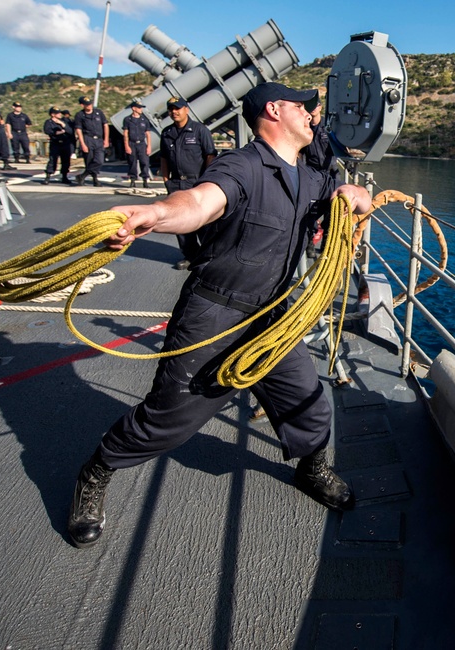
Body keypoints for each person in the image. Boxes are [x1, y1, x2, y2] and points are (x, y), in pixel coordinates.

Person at [66, 82, 372, 548]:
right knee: (168, 419)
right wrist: (158, 214)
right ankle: (98, 469)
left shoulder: (310, 174)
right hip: (217, 313)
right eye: (303, 107)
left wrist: (356, 197)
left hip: (273, 316)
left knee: (309, 403)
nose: (313, 114)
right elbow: (199, 202)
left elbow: (345, 195)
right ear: (274, 110)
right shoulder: (242, 166)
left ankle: (312, 469)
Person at [159, 96, 217, 269]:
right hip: (176, 183)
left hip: (196, 182)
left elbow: (210, 155)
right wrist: (166, 180)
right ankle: (191, 256)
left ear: (186, 109)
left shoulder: (199, 130)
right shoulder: (167, 133)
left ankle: (209, 258)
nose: (174, 112)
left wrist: (207, 180)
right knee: (181, 224)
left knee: (205, 223)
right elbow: (163, 158)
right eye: (171, 109)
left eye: (177, 108)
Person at [73, 96, 109, 186]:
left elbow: (105, 125)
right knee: (89, 160)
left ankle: (82, 176)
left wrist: (106, 139)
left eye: (90, 104)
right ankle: (95, 180)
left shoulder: (98, 112)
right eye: (87, 105)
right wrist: (82, 144)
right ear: (82, 105)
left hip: (99, 139)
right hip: (88, 139)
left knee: (99, 161)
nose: (89, 106)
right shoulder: (80, 115)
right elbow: (79, 130)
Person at [122, 98, 152, 188]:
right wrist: (126, 146)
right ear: (134, 108)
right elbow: (126, 134)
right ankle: (133, 180)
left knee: (144, 162)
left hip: (142, 144)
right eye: (139, 108)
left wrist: (149, 146)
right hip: (132, 143)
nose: (141, 109)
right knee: (132, 163)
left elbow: (148, 134)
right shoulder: (127, 120)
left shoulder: (144, 120)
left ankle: (145, 180)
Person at [42, 107, 72, 185]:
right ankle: (48, 176)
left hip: (65, 143)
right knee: (52, 160)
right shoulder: (48, 122)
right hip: (55, 143)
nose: (60, 115)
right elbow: (48, 131)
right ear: (53, 114)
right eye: (57, 113)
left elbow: (70, 131)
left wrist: (62, 125)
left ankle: (64, 176)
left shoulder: (64, 121)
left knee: (66, 161)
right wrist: (59, 132)